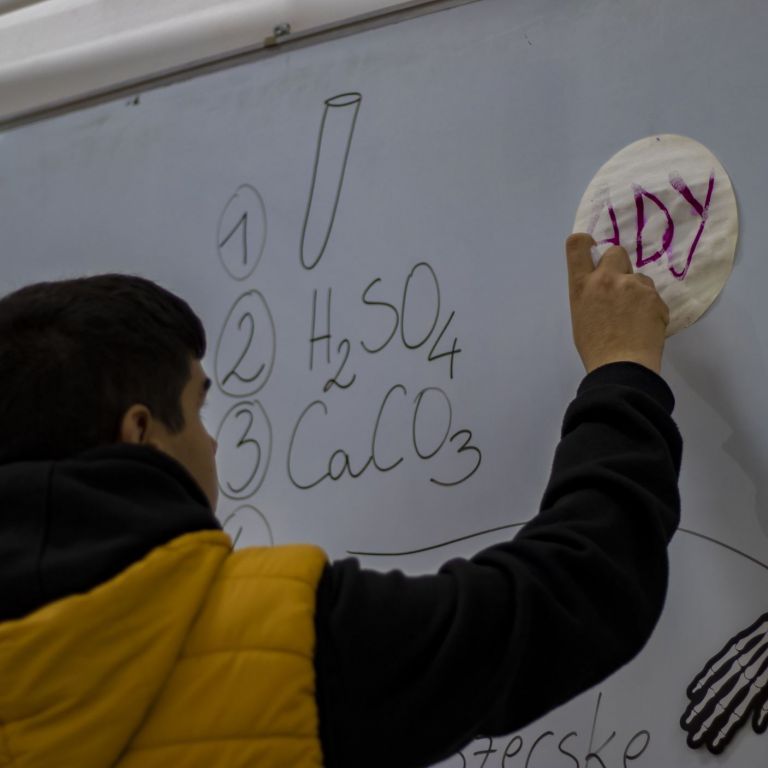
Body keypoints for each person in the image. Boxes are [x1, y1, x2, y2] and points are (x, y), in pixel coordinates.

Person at [0, 233, 680, 768]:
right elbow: (568, 597)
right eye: (199, 410)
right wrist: (621, 370)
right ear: (140, 432)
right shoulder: (278, 640)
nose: (212, 443)